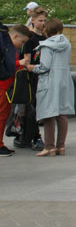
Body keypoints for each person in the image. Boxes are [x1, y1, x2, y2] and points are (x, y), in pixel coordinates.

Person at [22, 19, 74, 157]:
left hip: (49, 82)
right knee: (62, 114)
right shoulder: (66, 43)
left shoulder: (46, 45)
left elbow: (45, 67)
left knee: (48, 114)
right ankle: (61, 146)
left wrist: (31, 67)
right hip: (64, 81)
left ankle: (49, 147)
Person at [16, 7, 47, 151]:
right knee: (31, 108)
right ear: (33, 21)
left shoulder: (45, 38)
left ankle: (26, 135)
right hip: (31, 78)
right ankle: (34, 136)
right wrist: (36, 68)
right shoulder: (30, 39)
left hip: (43, 76)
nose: (43, 23)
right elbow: (27, 61)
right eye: (40, 20)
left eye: (44, 20)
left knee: (36, 108)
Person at [0, 24, 33, 157]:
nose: (22, 45)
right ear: (15, 36)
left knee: (3, 116)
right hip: (3, 87)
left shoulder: (8, 47)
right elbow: (6, 66)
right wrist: (20, 63)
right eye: (22, 41)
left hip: (6, 87)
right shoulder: (7, 48)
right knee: (2, 116)